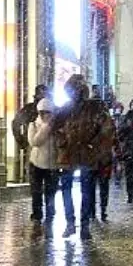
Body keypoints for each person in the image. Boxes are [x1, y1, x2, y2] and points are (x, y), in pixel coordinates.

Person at [54, 75, 115, 237]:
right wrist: (63, 141)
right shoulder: (65, 109)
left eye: (78, 90)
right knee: (67, 189)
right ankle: (70, 223)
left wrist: (93, 145)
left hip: (87, 155)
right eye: (72, 90)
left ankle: (84, 224)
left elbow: (106, 129)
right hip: (68, 155)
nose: (75, 93)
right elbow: (55, 128)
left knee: (86, 191)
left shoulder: (94, 107)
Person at [26, 99, 58, 237]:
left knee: (50, 191)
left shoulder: (57, 126)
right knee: (36, 191)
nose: (45, 115)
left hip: (52, 165)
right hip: (36, 163)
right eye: (42, 112)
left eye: (47, 112)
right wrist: (46, 128)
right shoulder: (33, 125)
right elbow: (35, 142)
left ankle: (50, 212)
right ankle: (37, 214)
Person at [11, 85, 48, 182]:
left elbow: (16, 123)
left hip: (45, 147)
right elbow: (16, 123)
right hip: (33, 145)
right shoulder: (30, 109)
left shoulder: (31, 108)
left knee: (38, 176)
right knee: (35, 175)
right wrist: (21, 140)